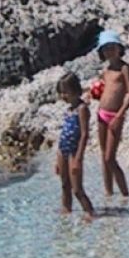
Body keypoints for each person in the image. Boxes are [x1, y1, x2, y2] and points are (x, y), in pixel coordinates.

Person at [94, 29, 129, 197]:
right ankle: (108, 193)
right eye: (106, 48)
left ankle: (125, 195)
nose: (109, 51)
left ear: (119, 48)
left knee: (110, 157)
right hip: (101, 114)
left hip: (115, 115)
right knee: (103, 156)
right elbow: (105, 91)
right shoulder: (106, 70)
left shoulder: (124, 68)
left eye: (112, 47)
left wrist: (119, 115)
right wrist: (92, 93)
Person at [55, 72, 96, 218]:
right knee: (65, 185)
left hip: (74, 151)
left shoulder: (82, 109)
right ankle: (66, 211)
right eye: (61, 93)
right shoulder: (68, 110)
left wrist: (78, 158)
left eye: (66, 92)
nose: (63, 96)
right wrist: (57, 158)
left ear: (75, 90)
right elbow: (63, 135)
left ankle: (89, 212)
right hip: (62, 150)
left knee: (77, 189)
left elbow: (84, 134)